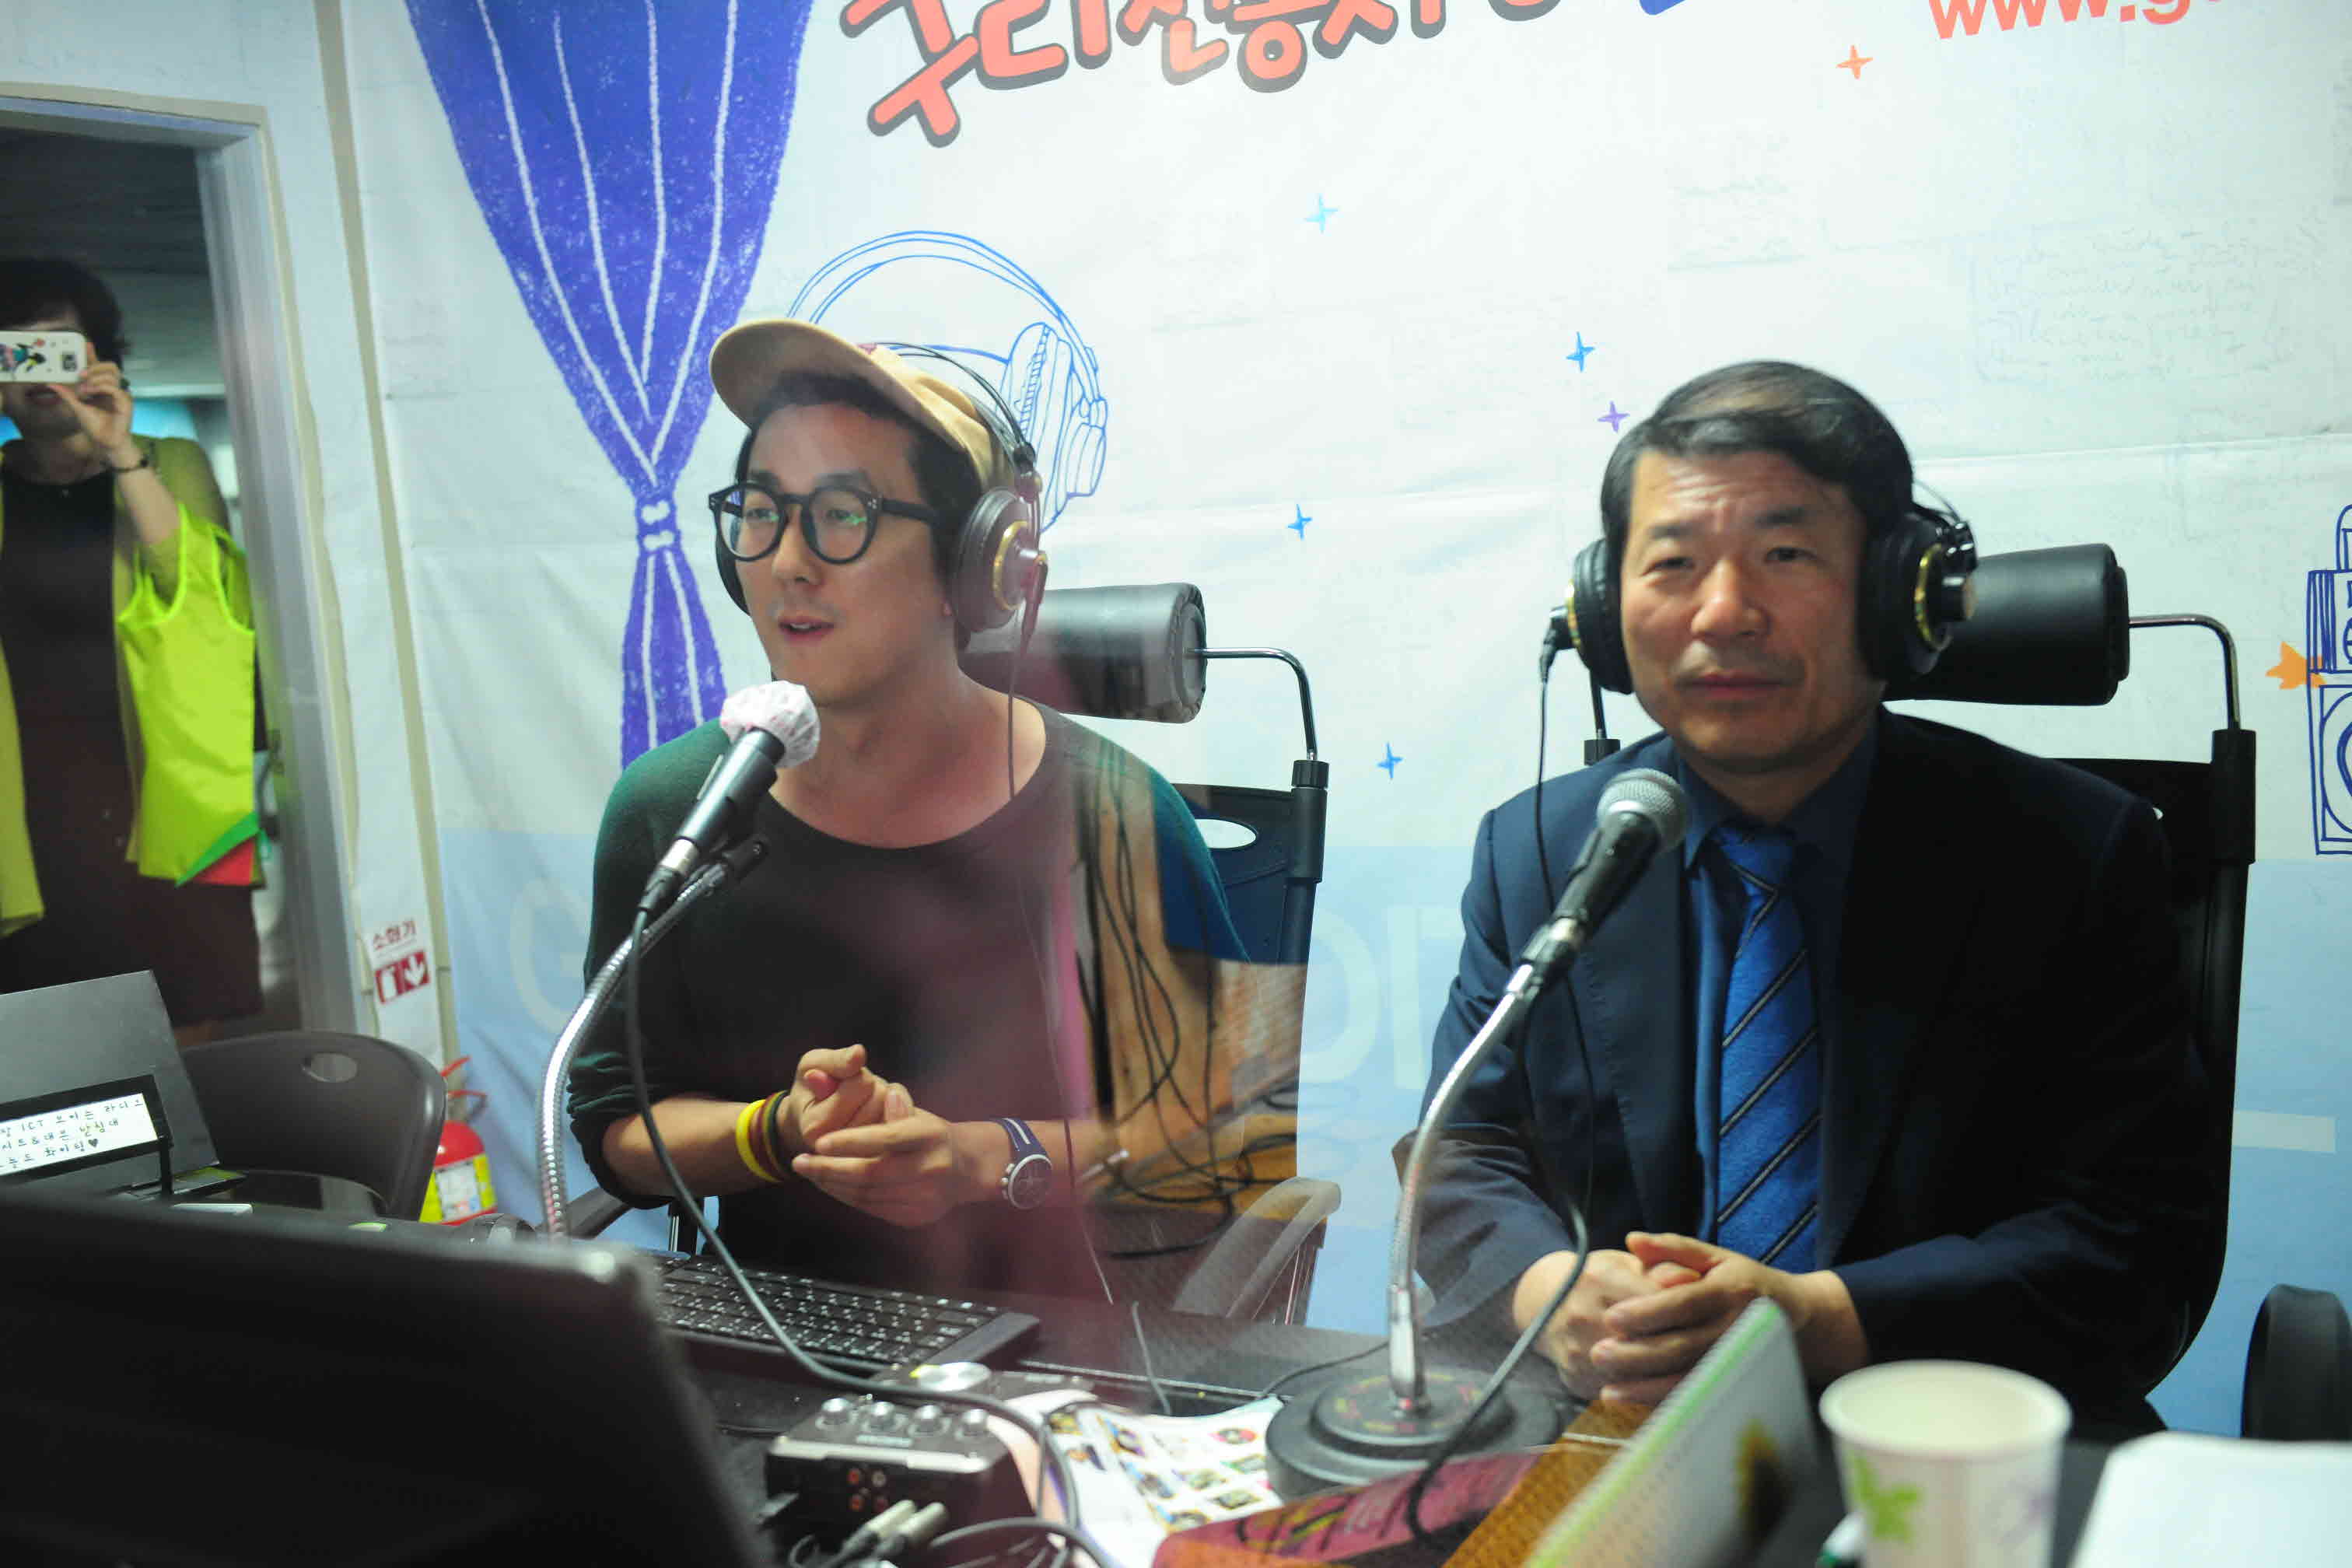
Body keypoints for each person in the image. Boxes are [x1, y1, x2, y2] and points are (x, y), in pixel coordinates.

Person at [1412, 361, 2223, 1435]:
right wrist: (1546, 1294)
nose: (1724, 612)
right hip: (1623, 1438)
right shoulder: (1540, 850)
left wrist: (1820, 1319)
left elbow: (2131, 1238)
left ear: (1898, 593)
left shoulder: (2070, 852)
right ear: (1605, 611)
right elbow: (1462, 1154)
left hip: (1962, 1437)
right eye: (1673, 563)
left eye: (1785, 556)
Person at [567, 319, 1273, 1300]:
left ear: (973, 568)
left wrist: (983, 1158)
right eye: (762, 512)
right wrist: (777, 1132)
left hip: (1057, 1347)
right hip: (775, 1335)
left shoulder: (1114, 811)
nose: (788, 562)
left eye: (842, 515)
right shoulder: (673, 815)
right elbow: (614, 1126)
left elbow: (1226, 1136)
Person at [0, 258, 261, 1047]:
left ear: (102, 357)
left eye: (60, 348)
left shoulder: (168, 460)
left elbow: (201, 592)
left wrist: (118, 449)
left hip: (164, 787)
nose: (42, 372)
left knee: (180, 1027)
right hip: (30, 808)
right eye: (19, 352)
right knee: (50, 1040)